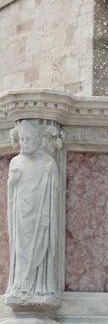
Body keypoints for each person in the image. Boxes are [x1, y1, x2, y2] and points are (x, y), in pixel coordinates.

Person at [5, 120, 61, 303]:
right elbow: (11, 191)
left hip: (39, 217)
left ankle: (40, 286)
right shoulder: (16, 161)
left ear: (38, 140)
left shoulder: (48, 162)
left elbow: (53, 194)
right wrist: (12, 183)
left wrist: (47, 214)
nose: (25, 143)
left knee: (39, 247)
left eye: (29, 139)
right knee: (21, 250)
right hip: (21, 216)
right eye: (22, 139)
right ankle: (21, 285)